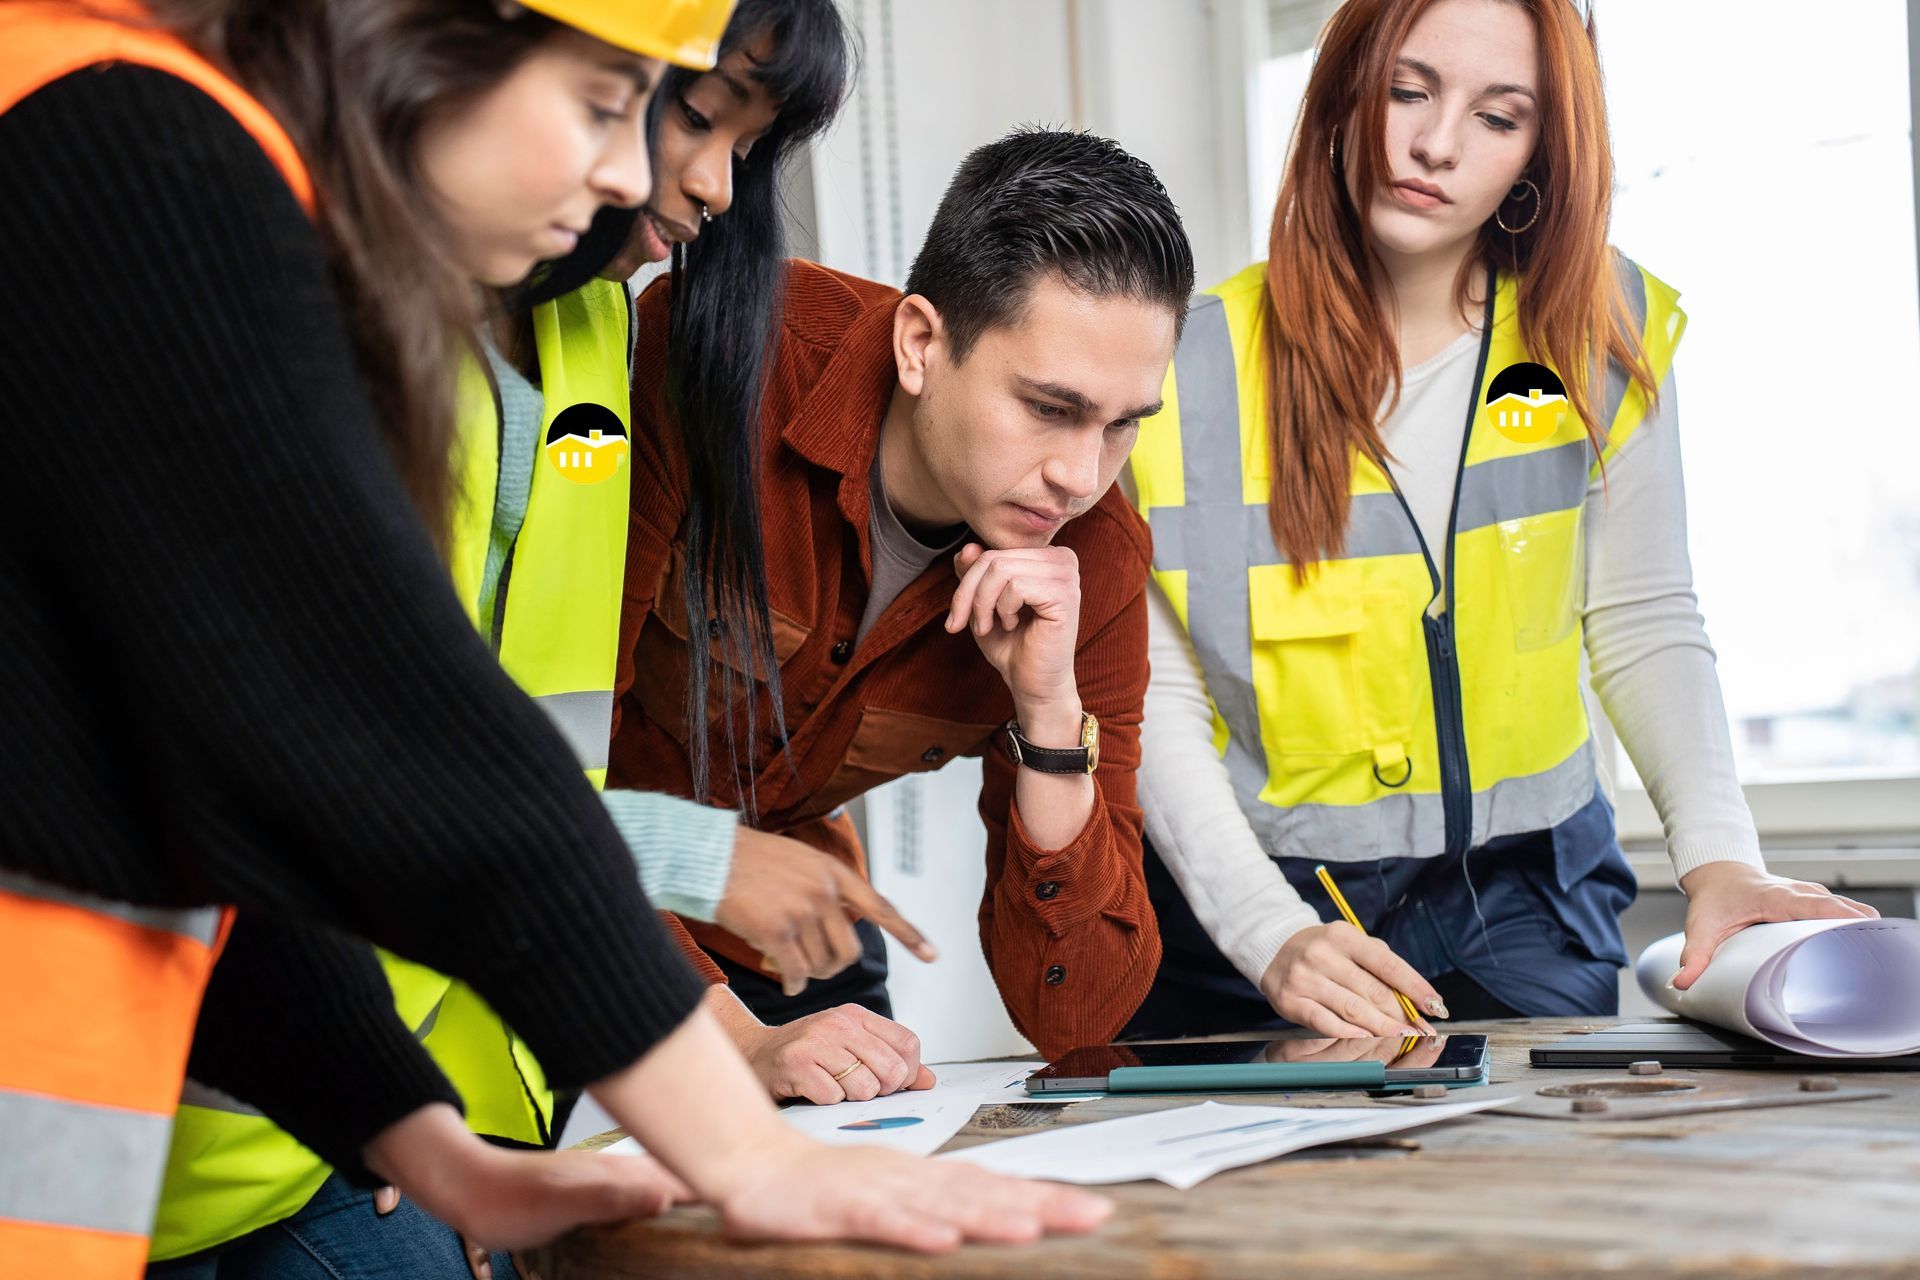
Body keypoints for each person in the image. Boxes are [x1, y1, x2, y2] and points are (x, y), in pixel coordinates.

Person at [0, 2, 1110, 1276]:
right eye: (607, 102)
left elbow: (174, 787)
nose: (637, 176)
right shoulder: (137, 148)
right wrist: (746, 1151)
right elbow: (387, 741)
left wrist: (428, 1147)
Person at [1121, 0, 1877, 1042]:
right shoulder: (1180, 366)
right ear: (1345, 88)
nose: (1435, 142)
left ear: (1539, 150)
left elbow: (1646, 615)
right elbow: (1150, 693)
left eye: (1498, 115)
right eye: (1407, 89)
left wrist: (1720, 857)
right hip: (1262, 905)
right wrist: (1266, 930)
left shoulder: (1599, 330)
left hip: (1526, 898)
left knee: (1525, 1180)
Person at [609, 126, 1196, 1072]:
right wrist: (733, 1041)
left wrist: (1048, 717)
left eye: (1123, 425)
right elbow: (516, 762)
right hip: (551, 904)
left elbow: (1078, 1018)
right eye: (1050, 408)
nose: (1079, 476)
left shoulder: (1097, 558)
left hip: (788, 947)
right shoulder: (726, 357)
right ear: (922, 344)